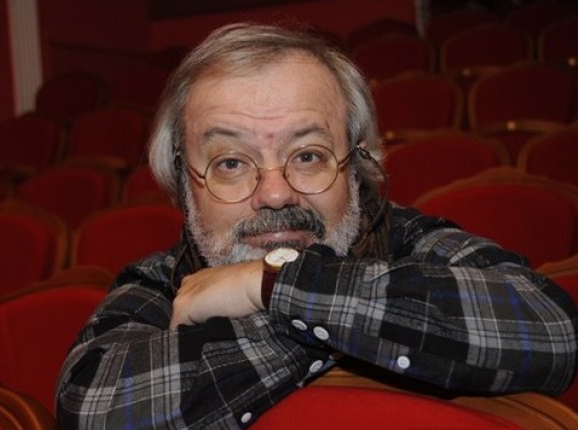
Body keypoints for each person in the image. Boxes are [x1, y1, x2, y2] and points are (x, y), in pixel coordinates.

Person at [56, 22, 577, 429]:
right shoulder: (161, 283)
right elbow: (91, 406)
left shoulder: (410, 241)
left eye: (307, 155)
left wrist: (272, 285)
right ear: (184, 184)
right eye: (230, 163)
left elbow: (549, 327)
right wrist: (344, 320)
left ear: (357, 167)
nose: (275, 193)